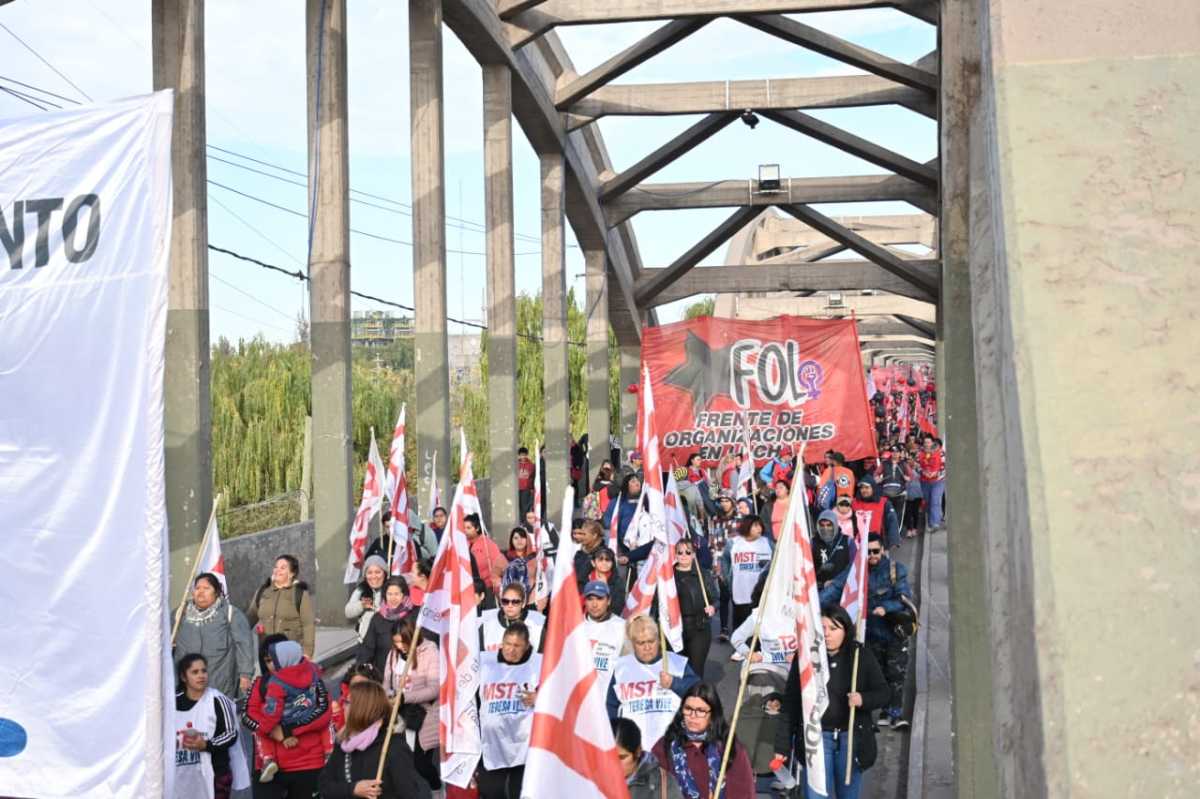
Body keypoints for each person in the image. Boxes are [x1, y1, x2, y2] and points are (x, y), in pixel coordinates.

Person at [774, 604, 890, 799]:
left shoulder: (860, 655)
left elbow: (884, 693)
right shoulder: (805, 658)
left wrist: (863, 699)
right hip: (816, 739)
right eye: (823, 629)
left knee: (848, 794)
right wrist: (782, 746)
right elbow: (791, 703)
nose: (827, 634)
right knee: (817, 794)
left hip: (850, 739)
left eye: (833, 629)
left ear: (846, 630)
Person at [243, 640, 332, 797]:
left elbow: (325, 713)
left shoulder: (281, 683)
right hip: (274, 771)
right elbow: (247, 715)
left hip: (308, 763)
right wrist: (277, 733)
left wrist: (284, 731)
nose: (271, 665)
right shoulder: (261, 683)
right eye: (267, 661)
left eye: (273, 660)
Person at [607, 615, 700, 750]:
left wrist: (674, 684)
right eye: (641, 643)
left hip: (671, 744)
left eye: (651, 641)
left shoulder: (676, 663)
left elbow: (699, 694)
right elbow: (611, 705)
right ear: (633, 643)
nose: (647, 647)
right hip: (635, 748)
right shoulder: (621, 667)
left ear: (658, 640)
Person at [317, 680, 421, 799]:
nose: (343, 707)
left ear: (362, 708)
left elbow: (410, 794)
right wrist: (353, 789)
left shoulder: (393, 748)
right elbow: (324, 786)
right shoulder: (344, 741)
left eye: (347, 702)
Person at [652, 683, 755, 799]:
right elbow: (652, 788)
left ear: (713, 714)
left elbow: (744, 792)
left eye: (701, 711)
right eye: (688, 709)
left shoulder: (728, 746)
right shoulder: (665, 746)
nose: (693, 716)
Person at [478, 624, 542, 799]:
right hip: (492, 746)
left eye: (517, 646)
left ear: (527, 646)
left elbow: (560, 696)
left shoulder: (539, 663)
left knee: (519, 794)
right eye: (507, 644)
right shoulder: (485, 662)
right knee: (490, 792)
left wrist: (540, 698)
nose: (511, 650)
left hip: (523, 746)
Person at [174, 653, 248, 799]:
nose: (201, 675)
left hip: (216, 773)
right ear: (184, 677)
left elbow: (230, 733)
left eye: (204, 671)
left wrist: (206, 744)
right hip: (182, 774)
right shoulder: (172, 702)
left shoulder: (217, 700)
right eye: (195, 672)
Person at [174, 572, 255, 700]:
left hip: (219, 684)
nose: (200, 592)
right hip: (186, 687)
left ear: (216, 592)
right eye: (197, 588)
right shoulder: (180, 614)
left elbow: (244, 645)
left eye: (206, 588)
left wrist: (245, 675)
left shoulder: (230, 614)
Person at [382, 617, 440, 790]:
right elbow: (387, 682)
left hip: (424, 716)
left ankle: (436, 789)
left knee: (421, 764)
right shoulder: (393, 654)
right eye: (396, 642)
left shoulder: (429, 651)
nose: (400, 646)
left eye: (403, 642)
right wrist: (389, 695)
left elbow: (434, 689)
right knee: (402, 762)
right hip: (399, 716)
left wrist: (405, 697)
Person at [246, 554, 316, 658]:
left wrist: (307, 653)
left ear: (292, 573)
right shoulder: (263, 592)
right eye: (276, 567)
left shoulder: (300, 594)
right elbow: (250, 617)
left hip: (291, 653)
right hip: (267, 654)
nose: (277, 570)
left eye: (283, 568)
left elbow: (308, 625)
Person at [722, 515, 772, 658]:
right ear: (746, 526)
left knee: (759, 622)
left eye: (760, 525)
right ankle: (741, 649)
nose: (759, 528)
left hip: (761, 592)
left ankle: (758, 649)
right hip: (740, 589)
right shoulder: (734, 543)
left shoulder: (767, 543)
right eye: (755, 525)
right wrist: (727, 579)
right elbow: (725, 560)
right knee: (741, 619)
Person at [673, 539, 718, 677]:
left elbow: (715, 598)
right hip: (675, 629)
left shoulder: (703, 574)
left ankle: (694, 697)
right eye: (680, 552)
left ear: (693, 554)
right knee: (677, 671)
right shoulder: (668, 576)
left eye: (688, 552)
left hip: (699, 627)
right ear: (675, 555)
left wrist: (712, 607)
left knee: (695, 671)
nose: (684, 555)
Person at [357, 577, 414, 676]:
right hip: (382, 675)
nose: (393, 598)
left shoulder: (414, 616)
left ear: (404, 595)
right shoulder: (378, 618)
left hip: (409, 676)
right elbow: (367, 648)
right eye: (389, 594)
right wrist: (360, 670)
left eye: (397, 594)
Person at [583, 581, 628, 699]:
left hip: (607, 702)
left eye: (599, 599)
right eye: (590, 599)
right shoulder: (574, 627)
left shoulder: (622, 627)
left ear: (608, 601)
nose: (594, 604)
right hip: (579, 702)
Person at [613, 717, 676, 799]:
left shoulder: (664, 783)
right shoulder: (594, 784)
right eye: (610, 757)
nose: (615, 764)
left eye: (622, 757)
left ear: (638, 752)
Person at [478, 582, 546, 653]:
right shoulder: (487, 623)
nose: (510, 605)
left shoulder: (537, 625)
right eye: (505, 601)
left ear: (523, 603)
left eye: (515, 602)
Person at [464, 513, 508, 609]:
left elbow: (503, 566)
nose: (465, 531)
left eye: (468, 528)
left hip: (487, 589)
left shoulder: (488, 544)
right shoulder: (463, 544)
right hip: (468, 588)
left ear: (477, 528)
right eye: (464, 528)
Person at [345, 555, 389, 643]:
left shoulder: (391, 589)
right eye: (369, 573)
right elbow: (348, 612)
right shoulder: (361, 590)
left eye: (377, 572)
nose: (374, 576)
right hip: (364, 642)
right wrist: (361, 605)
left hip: (385, 643)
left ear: (384, 573)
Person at [851, 476, 901, 551]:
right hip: (858, 544)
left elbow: (892, 520)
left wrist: (893, 540)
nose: (864, 490)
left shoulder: (884, 502)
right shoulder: (853, 503)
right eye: (862, 488)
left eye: (867, 487)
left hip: (879, 545)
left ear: (873, 488)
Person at [812, 510, 851, 590]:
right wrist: (821, 585)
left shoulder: (847, 541)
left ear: (835, 525)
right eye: (822, 525)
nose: (825, 528)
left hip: (842, 588)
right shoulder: (813, 543)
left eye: (829, 525)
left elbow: (853, 567)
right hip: (820, 589)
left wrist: (837, 582)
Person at [916, 436, 946, 532]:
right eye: (925, 442)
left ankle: (935, 523)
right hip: (924, 481)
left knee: (935, 500)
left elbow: (945, 466)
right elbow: (917, 466)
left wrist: (937, 473)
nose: (926, 444)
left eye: (928, 442)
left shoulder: (940, 453)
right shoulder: (920, 453)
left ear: (932, 443)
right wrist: (923, 472)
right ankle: (930, 521)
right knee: (928, 501)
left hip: (938, 481)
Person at [589, 545, 625, 612]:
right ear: (593, 563)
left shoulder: (617, 581)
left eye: (607, 560)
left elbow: (618, 606)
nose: (604, 563)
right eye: (600, 560)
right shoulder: (585, 578)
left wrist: (606, 588)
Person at [501, 527, 536, 594]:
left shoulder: (535, 558)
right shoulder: (503, 557)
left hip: (531, 598)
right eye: (516, 538)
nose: (519, 541)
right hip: (509, 599)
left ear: (527, 539)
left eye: (522, 537)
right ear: (511, 540)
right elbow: (495, 577)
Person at [517, 446, 535, 517]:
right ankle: (519, 521)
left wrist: (532, 488)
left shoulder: (531, 465)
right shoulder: (515, 464)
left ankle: (524, 521)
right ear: (519, 455)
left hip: (526, 489)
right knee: (518, 506)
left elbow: (533, 477)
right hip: (517, 488)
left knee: (525, 507)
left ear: (527, 455)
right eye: (521, 455)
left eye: (524, 455)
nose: (523, 457)